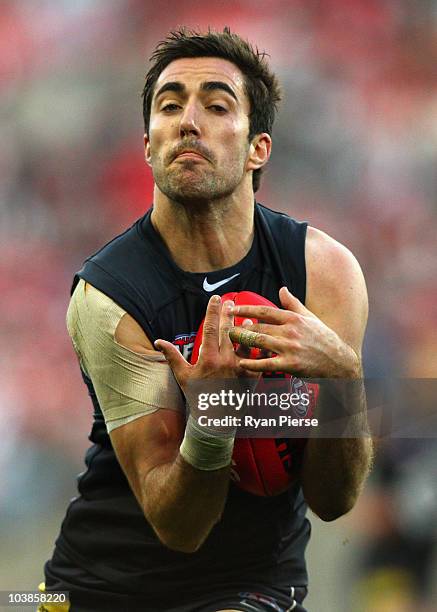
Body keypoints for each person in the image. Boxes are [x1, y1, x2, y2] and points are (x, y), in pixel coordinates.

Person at [40, 27, 373, 612]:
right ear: (148, 144)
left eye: (217, 105)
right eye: (169, 106)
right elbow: (179, 526)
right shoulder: (108, 296)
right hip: (93, 585)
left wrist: (343, 379)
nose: (187, 121)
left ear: (257, 148)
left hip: (251, 582)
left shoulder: (324, 272)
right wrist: (215, 413)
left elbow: (335, 500)